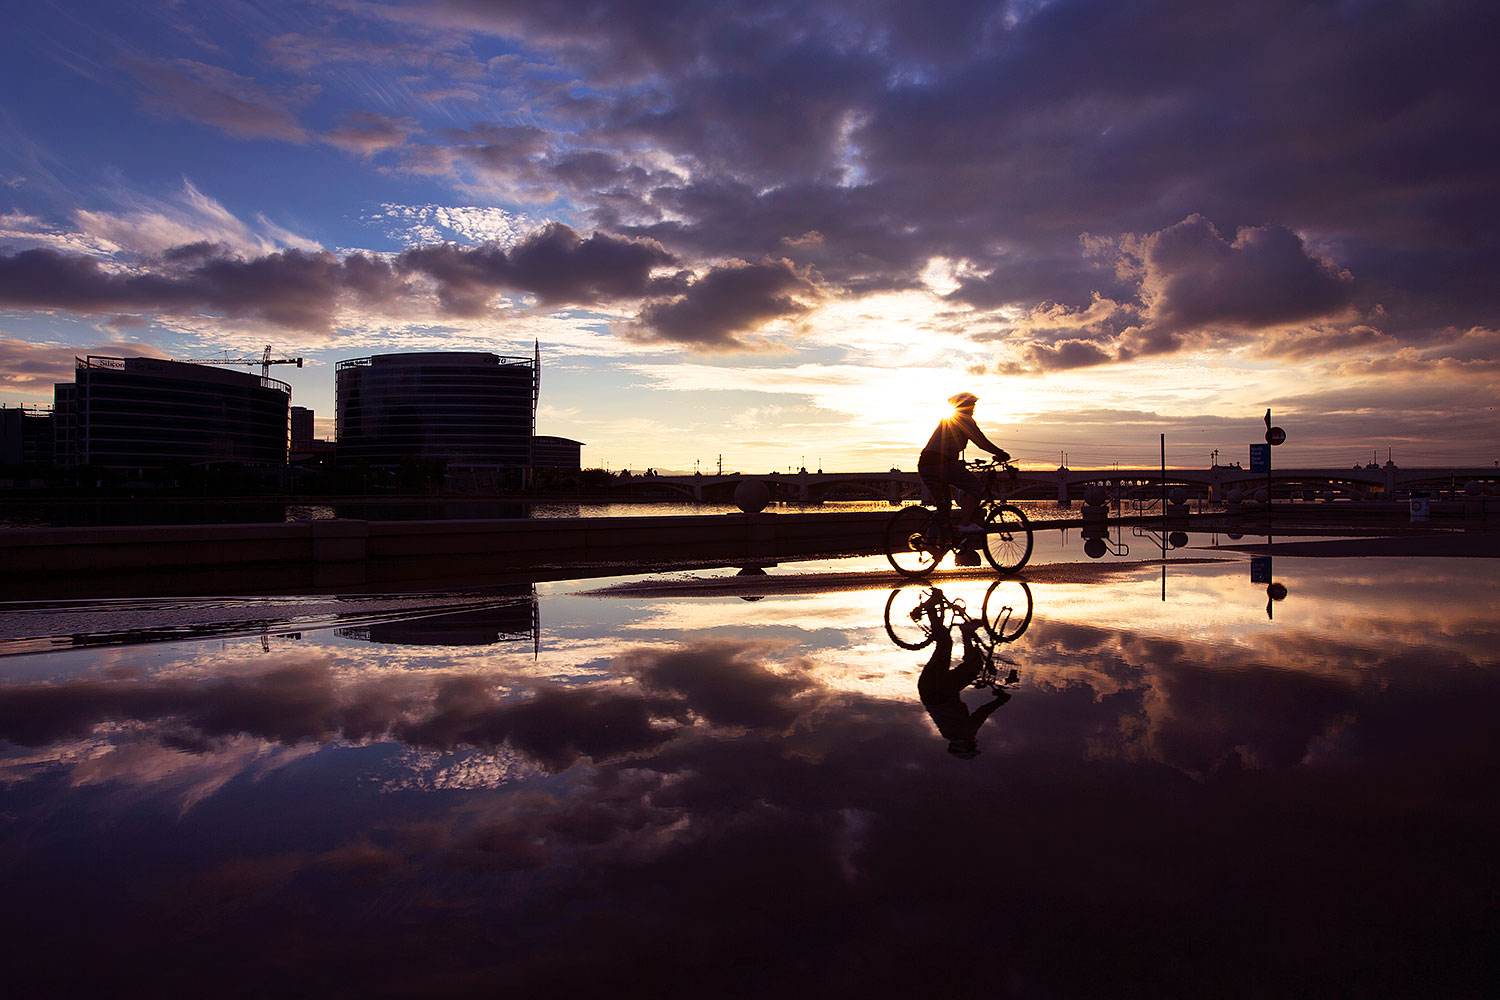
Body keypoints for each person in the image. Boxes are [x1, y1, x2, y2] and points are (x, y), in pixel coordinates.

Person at [916, 591, 1010, 758]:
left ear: (966, 745)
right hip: (926, 688)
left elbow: (982, 713)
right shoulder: (947, 733)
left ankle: (966, 632)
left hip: (942, 690)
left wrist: (1000, 701)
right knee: (944, 643)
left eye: (973, 745)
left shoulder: (964, 733)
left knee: (974, 667)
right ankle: (931, 608)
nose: (975, 741)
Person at [918, 392, 1011, 535]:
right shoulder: (965, 420)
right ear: (964, 406)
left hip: (926, 464)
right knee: (975, 486)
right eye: (971, 404)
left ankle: (929, 542)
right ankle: (965, 524)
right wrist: (1000, 453)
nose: (973, 408)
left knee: (944, 508)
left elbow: (944, 446)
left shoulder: (947, 420)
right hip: (941, 463)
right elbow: (981, 441)